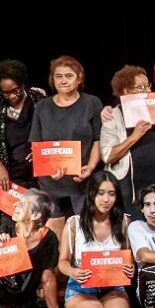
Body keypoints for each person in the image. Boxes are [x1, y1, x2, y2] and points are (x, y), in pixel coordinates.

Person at [29, 55, 103, 238]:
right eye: (59, 76)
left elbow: (98, 140)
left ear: (79, 78)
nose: (63, 81)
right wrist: (48, 167)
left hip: (82, 181)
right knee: (55, 239)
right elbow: (37, 144)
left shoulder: (92, 103)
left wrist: (91, 167)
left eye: (69, 76)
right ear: (52, 79)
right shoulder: (42, 107)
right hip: (51, 183)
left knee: (86, 236)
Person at [58, 172, 134, 308]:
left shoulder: (123, 222)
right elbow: (62, 262)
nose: (106, 199)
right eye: (101, 193)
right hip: (81, 288)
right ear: (91, 194)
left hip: (112, 287)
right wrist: (73, 272)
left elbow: (128, 258)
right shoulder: (74, 223)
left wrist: (130, 267)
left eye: (111, 194)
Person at [100, 65, 155, 218]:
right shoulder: (112, 116)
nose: (148, 91)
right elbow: (108, 156)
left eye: (148, 86)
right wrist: (134, 137)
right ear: (126, 91)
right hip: (128, 191)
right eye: (141, 87)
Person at [0, 58, 46, 190]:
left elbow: (54, 132)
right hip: (11, 178)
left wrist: (41, 150)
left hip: (40, 177)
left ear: (22, 84)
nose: (11, 96)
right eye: (5, 92)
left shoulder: (39, 101)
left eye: (15, 90)